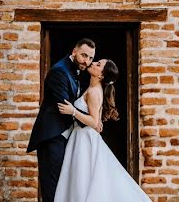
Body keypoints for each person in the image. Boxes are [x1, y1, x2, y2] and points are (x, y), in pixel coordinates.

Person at [54, 58, 150, 201]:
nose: (93, 63)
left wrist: (72, 111)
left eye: (98, 64)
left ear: (101, 75)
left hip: (84, 139)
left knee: (82, 180)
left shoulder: (93, 92)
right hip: (81, 136)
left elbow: (94, 122)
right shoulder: (92, 89)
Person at [27, 38, 97, 202]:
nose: (87, 61)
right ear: (74, 51)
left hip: (64, 137)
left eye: (91, 58)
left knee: (62, 186)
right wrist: (92, 120)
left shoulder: (76, 70)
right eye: (84, 55)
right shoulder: (60, 71)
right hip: (53, 136)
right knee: (53, 187)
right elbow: (64, 106)